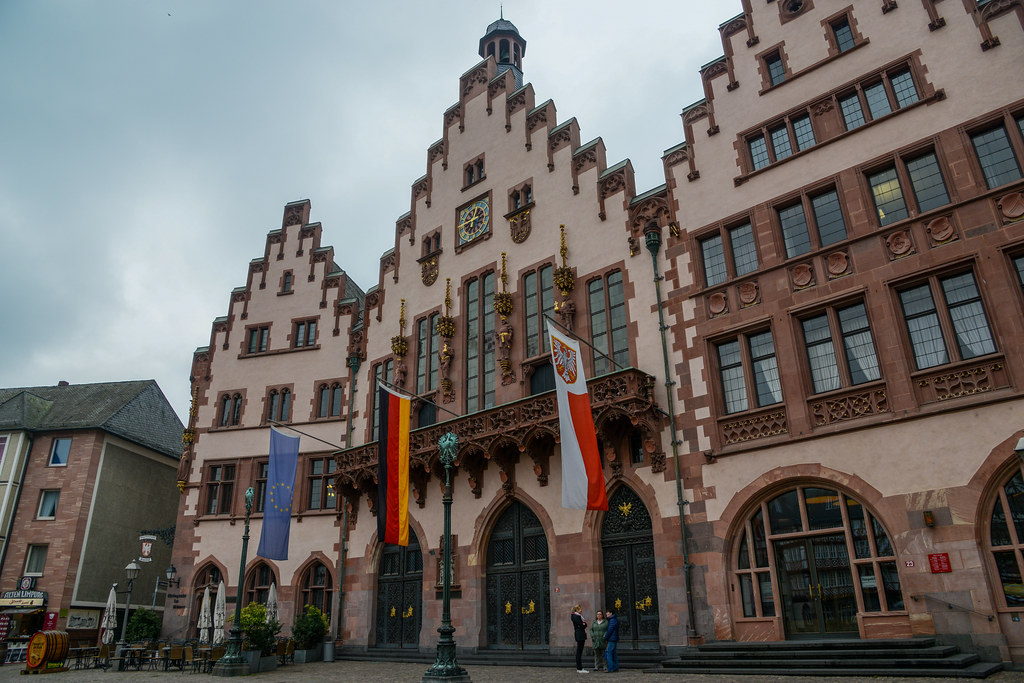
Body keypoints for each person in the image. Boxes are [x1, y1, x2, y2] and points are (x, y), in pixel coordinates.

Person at [571, 604, 588, 674]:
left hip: (580, 634)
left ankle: (579, 667)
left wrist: (584, 624)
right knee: (579, 651)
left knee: (579, 651)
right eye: (579, 609)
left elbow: (583, 624)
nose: (581, 610)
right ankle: (579, 668)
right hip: (580, 634)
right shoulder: (576, 616)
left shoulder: (577, 616)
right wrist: (584, 624)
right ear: (577, 610)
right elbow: (582, 625)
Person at [604, 607, 619, 673]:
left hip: (612, 639)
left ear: (611, 613)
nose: (606, 615)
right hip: (614, 638)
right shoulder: (614, 619)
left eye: (607, 614)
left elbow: (610, 630)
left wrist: (606, 637)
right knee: (613, 653)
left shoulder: (612, 620)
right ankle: (615, 667)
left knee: (609, 653)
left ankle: (610, 668)